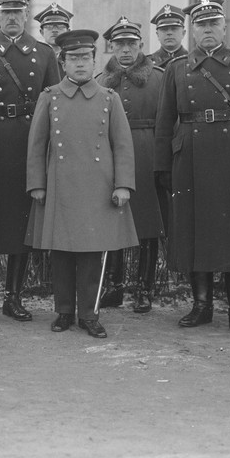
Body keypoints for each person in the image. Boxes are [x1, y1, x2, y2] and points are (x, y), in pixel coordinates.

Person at [154, 0, 230, 336]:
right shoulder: (177, 69)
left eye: (212, 24)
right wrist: (162, 165)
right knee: (195, 229)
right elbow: (165, 122)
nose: (206, 30)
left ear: (224, 28)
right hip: (188, 156)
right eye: (200, 25)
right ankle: (201, 306)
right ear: (192, 30)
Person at [26, 29, 137, 338]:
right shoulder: (49, 97)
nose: (79, 64)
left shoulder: (109, 98)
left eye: (85, 58)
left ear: (94, 60)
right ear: (63, 63)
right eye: (72, 59)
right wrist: (37, 183)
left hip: (98, 189)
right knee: (60, 253)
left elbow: (123, 145)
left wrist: (123, 185)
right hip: (60, 186)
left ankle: (89, 314)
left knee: (91, 254)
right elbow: (37, 144)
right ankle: (63, 312)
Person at [0, 0, 60, 322]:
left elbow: (54, 105)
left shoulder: (44, 54)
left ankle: (14, 297)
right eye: (6, 12)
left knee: (22, 220)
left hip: (27, 142)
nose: (12, 18)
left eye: (18, 12)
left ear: (27, 15)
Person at [96, 17, 164, 312]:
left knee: (147, 225)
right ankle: (113, 286)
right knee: (112, 220)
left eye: (131, 44)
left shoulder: (160, 78)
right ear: (110, 46)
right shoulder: (99, 82)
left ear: (141, 46)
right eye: (119, 44)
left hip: (147, 153)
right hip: (111, 157)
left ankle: (144, 289)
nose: (125, 50)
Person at [148, 4, 188, 68]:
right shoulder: (147, 63)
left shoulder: (193, 60)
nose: (169, 33)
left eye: (174, 29)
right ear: (157, 34)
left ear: (183, 33)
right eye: (164, 29)